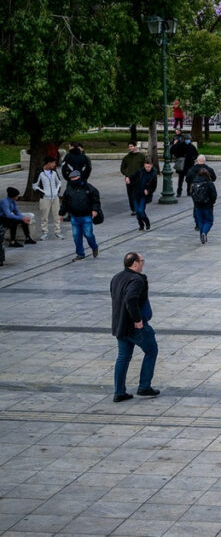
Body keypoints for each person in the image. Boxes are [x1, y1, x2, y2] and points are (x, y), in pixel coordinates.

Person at [110, 252, 159, 403]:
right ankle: (144, 387)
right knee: (151, 351)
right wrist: (137, 320)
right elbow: (130, 299)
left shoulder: (117, 277)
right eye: (142, 261)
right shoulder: (137, 280)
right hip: (135, 326)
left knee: (123, 357)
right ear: (135, 263)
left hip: (120, 325)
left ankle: (119, 392)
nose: (143, 264)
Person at [60, 170, 100, 261]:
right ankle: (80, 253)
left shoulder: (89, 188)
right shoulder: (69, 190)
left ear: (79, 177)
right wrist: (61, 213)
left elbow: (95, 200)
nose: (73, 180)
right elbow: (65, 203)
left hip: (86, 216)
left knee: (88, 234)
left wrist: (95, 210)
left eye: (75, 178)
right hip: (74, 217)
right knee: (76, 236)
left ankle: (94, 246)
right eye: (71, 178)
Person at [33, 157, 63, 240]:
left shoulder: (54, 172)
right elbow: (35, 185)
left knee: (56, 215)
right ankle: (44, 232)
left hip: (55, 197)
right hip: (45, 198)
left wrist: (57, 191)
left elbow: (59, 182)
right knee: (44, 216)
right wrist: (43, 192)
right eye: (53, 163)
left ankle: (57, 232)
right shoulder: (40, 173)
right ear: (48, 163)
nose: (54, 165)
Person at [126, 159, 157, 231]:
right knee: (137, 212)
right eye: (146, 167)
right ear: (144, 166)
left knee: (141, 210)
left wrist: (148, 191)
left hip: (144, 195)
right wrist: (128, 178)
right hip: (136, 193)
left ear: (151, 166)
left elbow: (153, 187)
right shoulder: (140, 171)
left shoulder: (153, 174)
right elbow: (132, 176)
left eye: (149, 167)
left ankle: (147, 222)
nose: (147, 168)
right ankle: (141, 225)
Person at [190, 167, 217, 245]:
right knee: (209, 221)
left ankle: (202, 236)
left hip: (197, 206)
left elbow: (192, 194)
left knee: (200, 222)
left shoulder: (194, 183)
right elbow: (214, 195)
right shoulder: (209, 183)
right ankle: (204, 233)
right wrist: (212, 202)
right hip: (207, 205)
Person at [119, 143, 147, 213]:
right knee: (130, 194)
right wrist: (127, 175)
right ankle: (134, 209)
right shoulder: (126, 158)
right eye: (129, 147)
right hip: (129, 179)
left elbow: (145, 167)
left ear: (135, 147)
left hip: (139, 179)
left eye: (131, 146)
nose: (130, 148)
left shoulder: (141, 157)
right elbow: (122, 168)